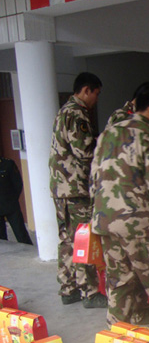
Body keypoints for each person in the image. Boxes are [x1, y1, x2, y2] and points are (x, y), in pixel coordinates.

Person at [90, 85, 149, 328]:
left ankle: (115, 333)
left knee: (118, 280)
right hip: (134, 223)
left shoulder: (107, 134)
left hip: (104, 219)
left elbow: (94, 178)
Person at [49, 72, 106, 308]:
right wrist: (102, 143)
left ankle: (68, 288)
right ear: (86, 90)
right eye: (96, 94)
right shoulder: (77, 113)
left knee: (67, 239)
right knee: (83, 238)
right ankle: (90, 292)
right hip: (75, 188)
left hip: (60, 188)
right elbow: (84, 151)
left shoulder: (63, 111)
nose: (96, 99)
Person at [0, 156, 32, 245]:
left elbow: (18, 184)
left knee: (21, 234)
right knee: (2, 239)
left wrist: (12, 199)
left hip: (11, 205)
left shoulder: (8, 164)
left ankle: (28, 251)